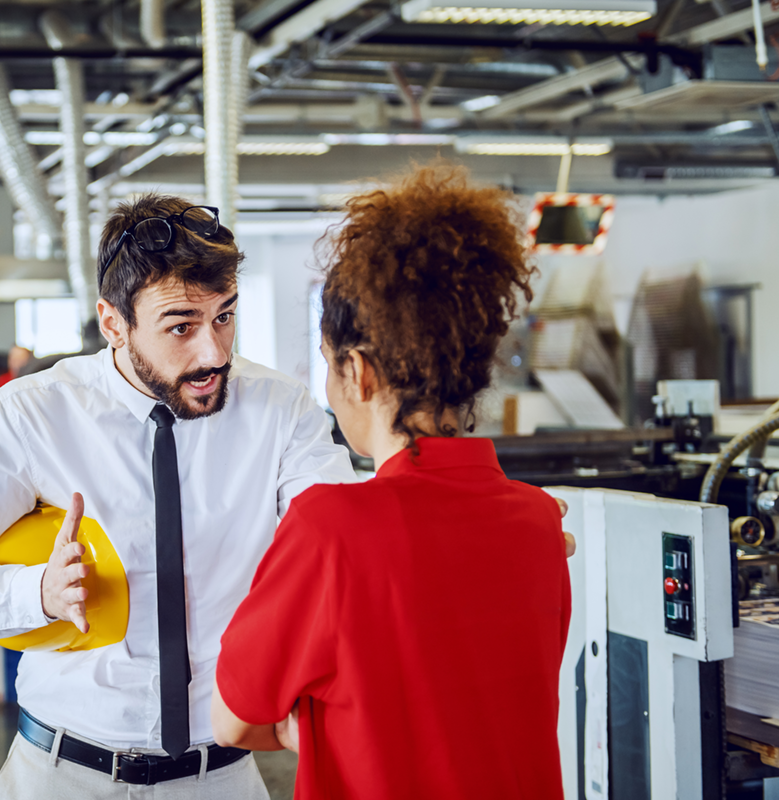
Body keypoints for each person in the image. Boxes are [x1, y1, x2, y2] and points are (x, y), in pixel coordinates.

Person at [0, 196, 357, 798]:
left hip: (221, 776)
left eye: (225, 316)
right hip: (65, 773)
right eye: (181, 326)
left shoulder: (279, 409)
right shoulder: (31, 414)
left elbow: (341, 548)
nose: (213, 353)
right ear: (114, 322)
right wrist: (35, 592)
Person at [211, 165, 571, 799]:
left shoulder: (331, 530)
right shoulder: (540, 522)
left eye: (328, 364)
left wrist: (312, 727)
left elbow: (233, 719)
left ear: (359, 371)